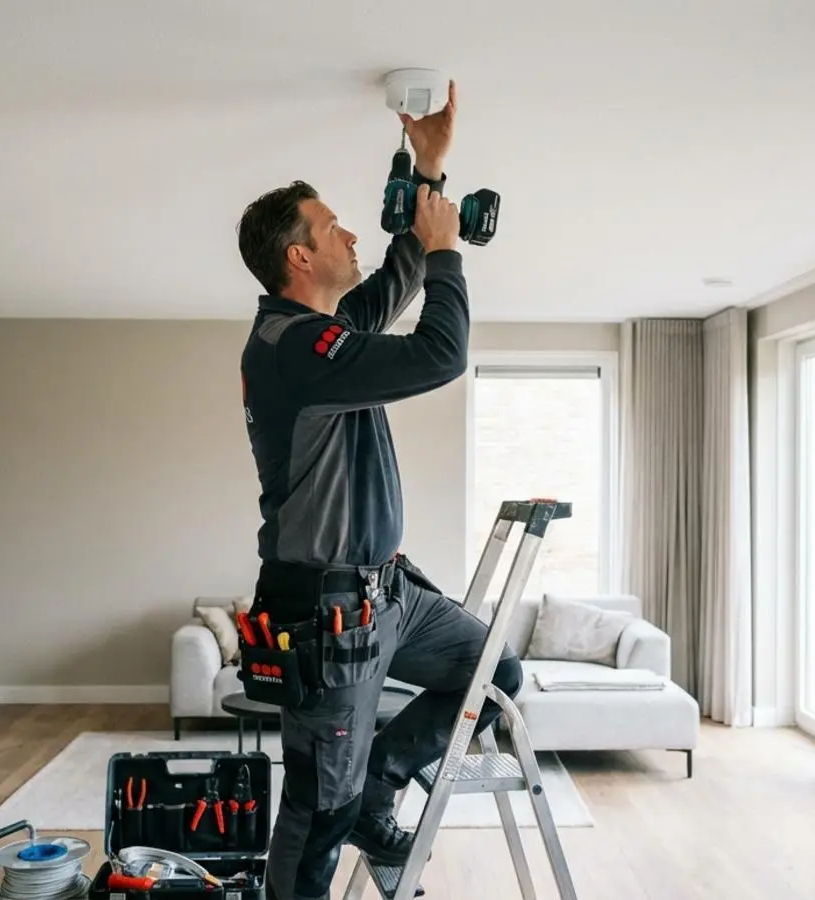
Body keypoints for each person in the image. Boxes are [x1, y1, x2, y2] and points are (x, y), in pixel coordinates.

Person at [233, 81, 524, 900]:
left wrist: (431, 169)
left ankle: (382, 782)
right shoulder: (294, 347)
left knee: (494, 674)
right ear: (298, 255)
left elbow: (391, 281)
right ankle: (346, 815)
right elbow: (439, 352)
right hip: (326, 615)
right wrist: (447, 252)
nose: (351, 231)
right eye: (331, 227)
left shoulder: (326, 333)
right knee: (315, 813)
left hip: (388, 593)